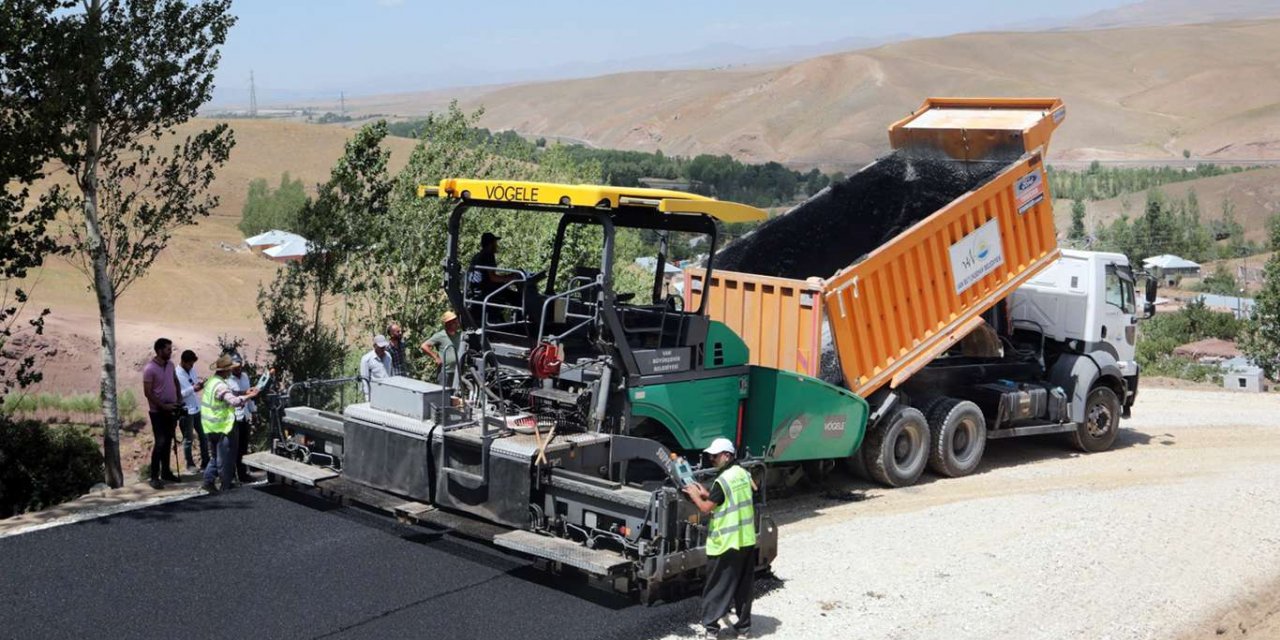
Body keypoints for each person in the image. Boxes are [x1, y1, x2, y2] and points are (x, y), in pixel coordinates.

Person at [683, 438, 759, 639]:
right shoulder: (743, 473)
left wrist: (695, 495)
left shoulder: (723, 480)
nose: (711, 459)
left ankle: (711, 629)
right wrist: (708, 493)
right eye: (710, 456)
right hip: (746, 539)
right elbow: (736, 497)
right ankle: (744, 628)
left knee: (717, 586)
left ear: (727, 455)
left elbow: (707, 508)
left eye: (715, 456)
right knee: (743, 586)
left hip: (726, 542)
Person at [201, 355, 259, 493]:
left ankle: (208, 481)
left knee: (215, 457)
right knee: (224, 458)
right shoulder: (220, 385)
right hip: (222, 427)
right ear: (225, 370)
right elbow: (234, 401)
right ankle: (226, 485)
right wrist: (249, 396)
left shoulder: (211, 381)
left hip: (210, 426)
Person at [142, 338, 181, 489]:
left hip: (172, 409)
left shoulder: (170, 365)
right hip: (158, 411)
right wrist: (163, 406)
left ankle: (166, 472)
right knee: (160, 442)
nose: (170, 352)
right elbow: (148, 393)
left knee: (169, 441)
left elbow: (175, 381)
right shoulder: (149, 369)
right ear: (159, 351)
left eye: (170, 349)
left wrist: (179, 398)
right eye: (168, 350)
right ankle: (154, 476)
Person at [468, 231, 519, 324]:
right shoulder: (488, 255)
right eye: (495, 243)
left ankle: (503, 321)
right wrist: (510, 278)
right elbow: (493, 278)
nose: (496, 245)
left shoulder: (477, 256)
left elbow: (488, 276)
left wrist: (507, 278)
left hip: (478, 290)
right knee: (516, 297)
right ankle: (520, 325)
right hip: (485, 291)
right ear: (491, 244)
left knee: (505, 289)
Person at [175, 349, 209, 472]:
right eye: (190, 364)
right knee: (188, 439)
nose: (191, 366)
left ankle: (206, 461)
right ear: (183, 362)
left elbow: (194, 386)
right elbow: (178, 394)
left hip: (196, 408)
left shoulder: (192, 370)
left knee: (204, 436)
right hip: (186, 410)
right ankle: (190, 464)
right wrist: (192, 389)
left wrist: (199, 386)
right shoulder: (177, 374)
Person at [228, 354, 257, 484]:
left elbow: (249, 396)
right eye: (235, 367)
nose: (237, 369)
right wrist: (245, 393)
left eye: (239, 366)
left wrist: (253, 411)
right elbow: (233, 395)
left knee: (243, 447)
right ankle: (231, 475)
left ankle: (242, 474)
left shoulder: (245, 376)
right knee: (233, 447)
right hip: (233, 417)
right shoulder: (228, 380)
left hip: (244, 416)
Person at [421, 310, 464, 387]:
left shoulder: (459, 335)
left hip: (457, 371)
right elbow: (424, 346)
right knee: (443, 394)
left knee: (454, 394)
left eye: (455, 321)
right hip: (445, 371)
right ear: (448, 324)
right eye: (453, 322)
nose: (456, 323)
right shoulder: (440, 335)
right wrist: (436, 357)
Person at [359, 334, 394, 399]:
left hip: (387, 392)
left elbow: (391, 374)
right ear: (374, 346)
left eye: (384, 347)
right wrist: (367, 396)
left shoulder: (388, 356)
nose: (382, 349)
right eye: (380, 347)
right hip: (374, 394)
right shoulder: (366, 359)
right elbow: (364, 379)